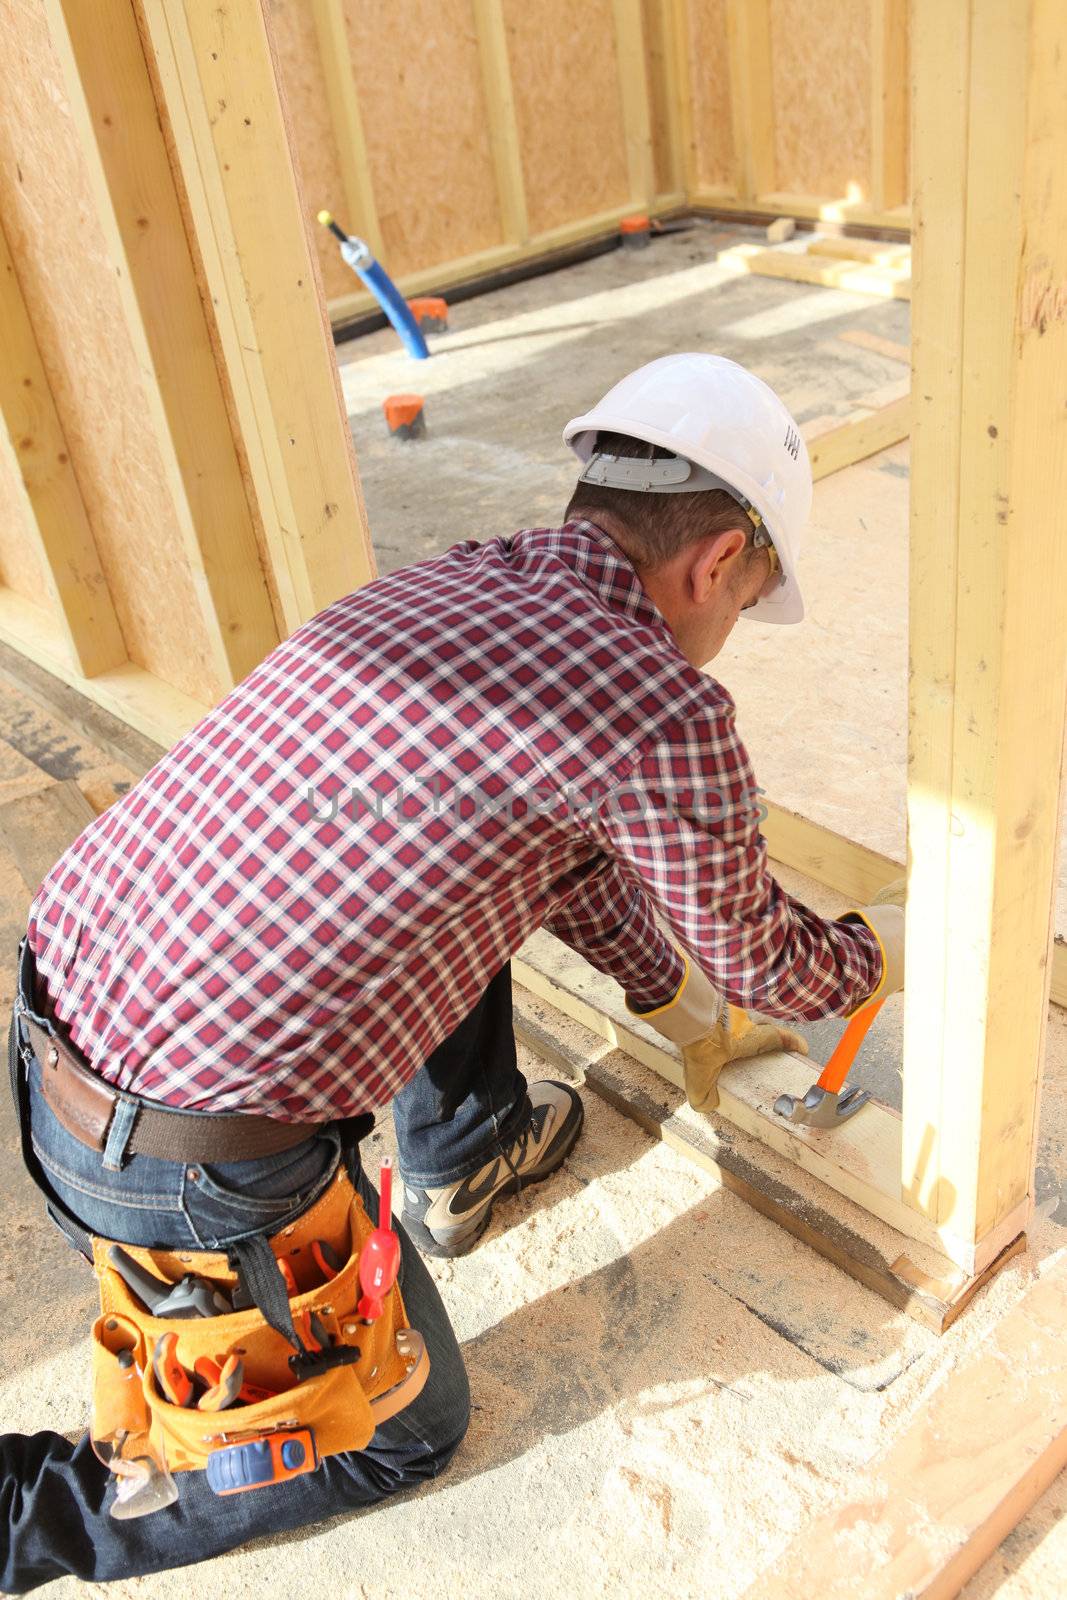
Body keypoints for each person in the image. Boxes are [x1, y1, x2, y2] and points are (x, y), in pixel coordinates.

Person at [2, 352, 902, 1588]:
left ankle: (465, 1150)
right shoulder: (655, 704)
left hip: (57, 1020)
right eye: (743, 605)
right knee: (400, 1430)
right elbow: (774, 960)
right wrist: (875, 954)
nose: (726, 633)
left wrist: (676, 1007)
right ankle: (38, 1513)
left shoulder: (458, 582)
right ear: (712, 564)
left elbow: (557, 858)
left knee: (435, 849)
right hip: (183, 1167)